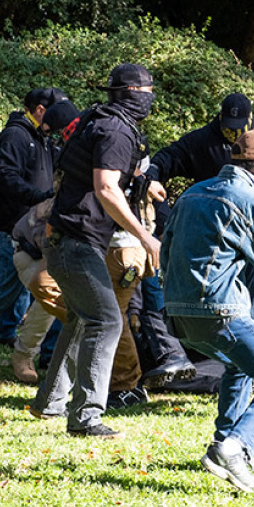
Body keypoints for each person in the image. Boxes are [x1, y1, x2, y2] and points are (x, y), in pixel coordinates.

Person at [161, 129, 254, 493]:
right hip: (220, 310)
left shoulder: (191, 193)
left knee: (239, 365)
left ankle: (218, 447)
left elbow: (165, 250)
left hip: (177, 313)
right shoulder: (248, 200)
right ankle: (236, 446)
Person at [30, 64, 158, 437]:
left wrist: (143, 185)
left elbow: (96, 174)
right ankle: (86, 417)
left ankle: (49, 402)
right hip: (77, 241)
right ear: (134, 93)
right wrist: (145, 236)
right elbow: (105, 187)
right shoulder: (117, 129)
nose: (150, 97)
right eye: (147, 90)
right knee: (107, 321)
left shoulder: (96, 118)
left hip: (63, 238)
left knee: (83, 319)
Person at [146, 92, 254, 325]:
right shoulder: (201, 140)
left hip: (252, 220)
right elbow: (167, 159)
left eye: (239, 128)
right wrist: (152, 177)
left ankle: (250, 333)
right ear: (220, 118)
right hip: (215, 227)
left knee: (253, 288)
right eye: (229, 127)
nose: (234, 133)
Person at [0, 88, 71, 346]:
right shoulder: (16, 135)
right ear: (40, 110)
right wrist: (39, 196)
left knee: (22, 290)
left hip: (33, 229)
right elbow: (5, 176)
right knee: (3, 288)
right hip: (9, 225)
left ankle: (5, 335)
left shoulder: (45, 139)